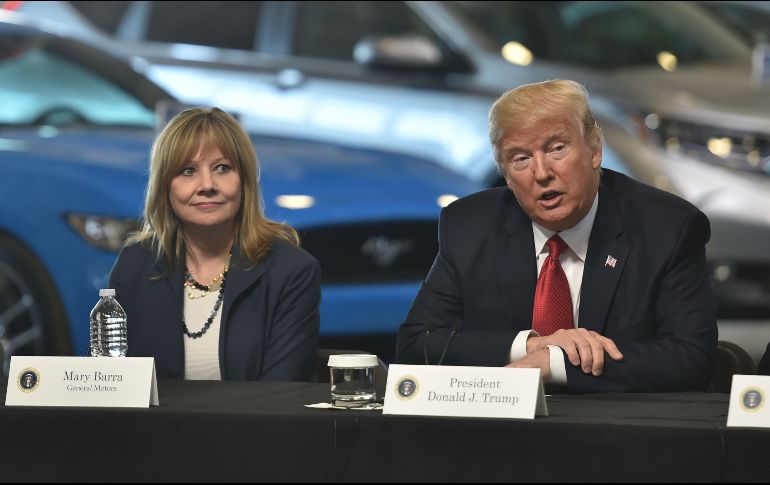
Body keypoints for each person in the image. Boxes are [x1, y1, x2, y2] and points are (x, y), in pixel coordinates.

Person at [396, 80, 718, 393]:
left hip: (617, 437)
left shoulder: (667, 228)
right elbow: (417, 345)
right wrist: (531, 346)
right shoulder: (470, 227)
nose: (542, 172)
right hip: (502, 437)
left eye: (557, 148)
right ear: (505, 174)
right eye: (520, 158)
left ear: (594, 150)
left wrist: (555, 363)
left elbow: (691, 359)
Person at [109, 107, 320, 381]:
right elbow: (106, 384)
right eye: (188, 171)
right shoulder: (135, 265)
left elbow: (281, 397)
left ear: (244, 182)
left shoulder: (292, 271)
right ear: (165, 187)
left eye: (223, 168)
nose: (207, 185)